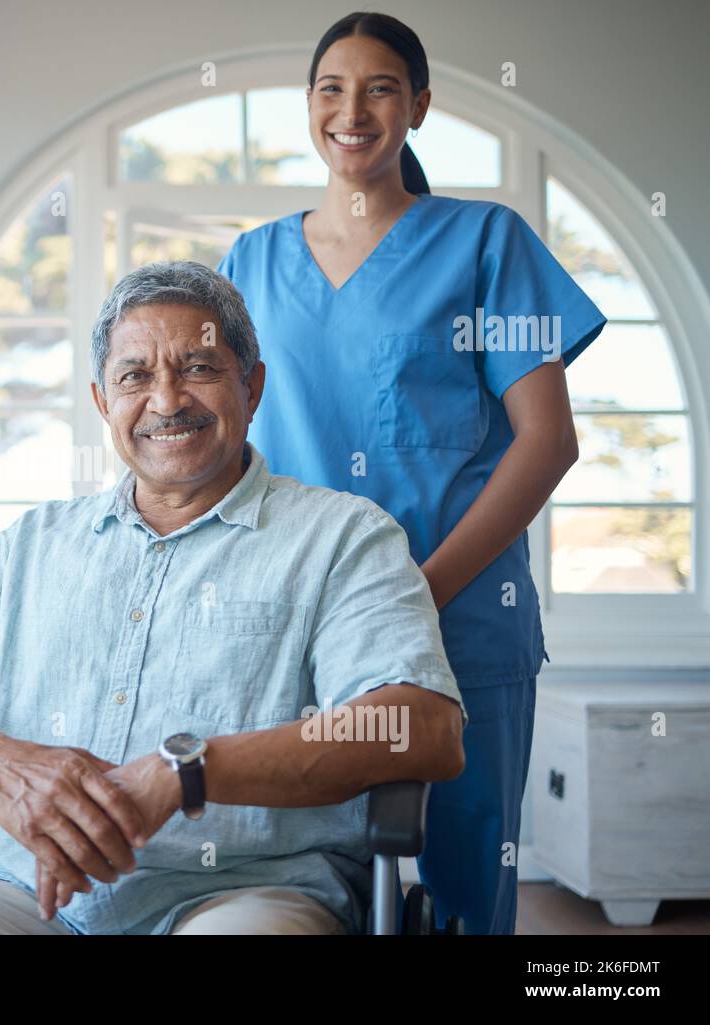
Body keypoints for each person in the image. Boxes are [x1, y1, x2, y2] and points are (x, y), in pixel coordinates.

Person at [0, 260, 467, 937]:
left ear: (252, 387)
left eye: (198, 367)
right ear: (102, 400)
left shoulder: (342, 537)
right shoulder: (30, 544)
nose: (167, 400)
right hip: (20, 895)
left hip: (245, 893)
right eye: (135, 375)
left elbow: (421, 727)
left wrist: (189, 770)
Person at [215, 11, 606, 934]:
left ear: (419, 106)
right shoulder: (250, 262)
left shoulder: (489, 244)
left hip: (463, 621)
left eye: (382, 87)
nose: (354, 109)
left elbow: (545, 441)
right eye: (332, 88)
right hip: (301, 628)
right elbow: (224, 450)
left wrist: (412, 594)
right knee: (304, 887)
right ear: (307, 107)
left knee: (467, 895)